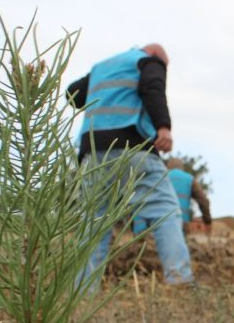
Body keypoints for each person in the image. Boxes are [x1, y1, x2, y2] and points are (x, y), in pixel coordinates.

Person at [66, 44, 194, 284]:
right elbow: (153, 88)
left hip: (94, 151)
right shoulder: (147, 61)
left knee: (94, 220)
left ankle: (82, 290)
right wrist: (163, 126)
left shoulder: (101, 68)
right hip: (132, 145)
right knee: (164, 211)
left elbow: (73, 94)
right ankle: (180, 281)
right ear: (156, 57)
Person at [132, 157, 212, 235]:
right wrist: (207, 220)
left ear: (167, 166)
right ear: (182, 168)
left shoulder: (157, 176)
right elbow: (203, 200)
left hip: (155, 221)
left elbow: (140, 199)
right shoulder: (190, 179)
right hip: (181, 223)